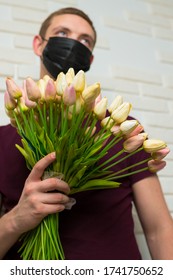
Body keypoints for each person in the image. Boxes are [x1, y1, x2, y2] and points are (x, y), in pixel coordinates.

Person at [0, 7, 173, 260]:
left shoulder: (121, 131)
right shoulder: (3, 140)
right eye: (62, 32)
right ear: (39, 44)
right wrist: (17, 218)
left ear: (90, 59)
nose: (73, 43)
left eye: (85, 40)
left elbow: (159, 229)